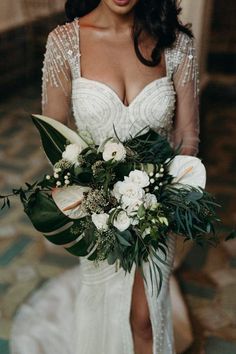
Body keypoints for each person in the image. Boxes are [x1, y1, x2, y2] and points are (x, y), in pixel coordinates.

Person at [10, 1, 200, 353]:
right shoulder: (65, 42)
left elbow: (188, 134)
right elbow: (57, 139)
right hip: (97, 215)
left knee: (145, 318)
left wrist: (168, 195)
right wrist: (87, 196)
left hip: (158, 212)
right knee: (108, 310)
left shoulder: (176, 43)